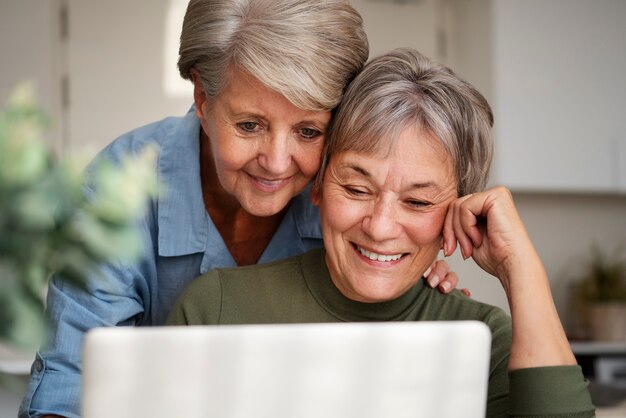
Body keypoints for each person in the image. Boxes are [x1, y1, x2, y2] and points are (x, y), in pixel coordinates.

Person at [19, 2, 460, 417]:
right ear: (203, 98)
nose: (277, 161)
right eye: (250, 125)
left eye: (308, 131)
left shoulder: (346, 196)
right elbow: (72, 382)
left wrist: (410, 284)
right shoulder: (121, 186)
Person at [167, 48, 596, 417]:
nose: (380, 226)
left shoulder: (484, 340)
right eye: (356, 189)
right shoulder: (214, 310)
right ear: (319, 184)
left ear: (459, 209)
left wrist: (521, 268)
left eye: (419, 202)